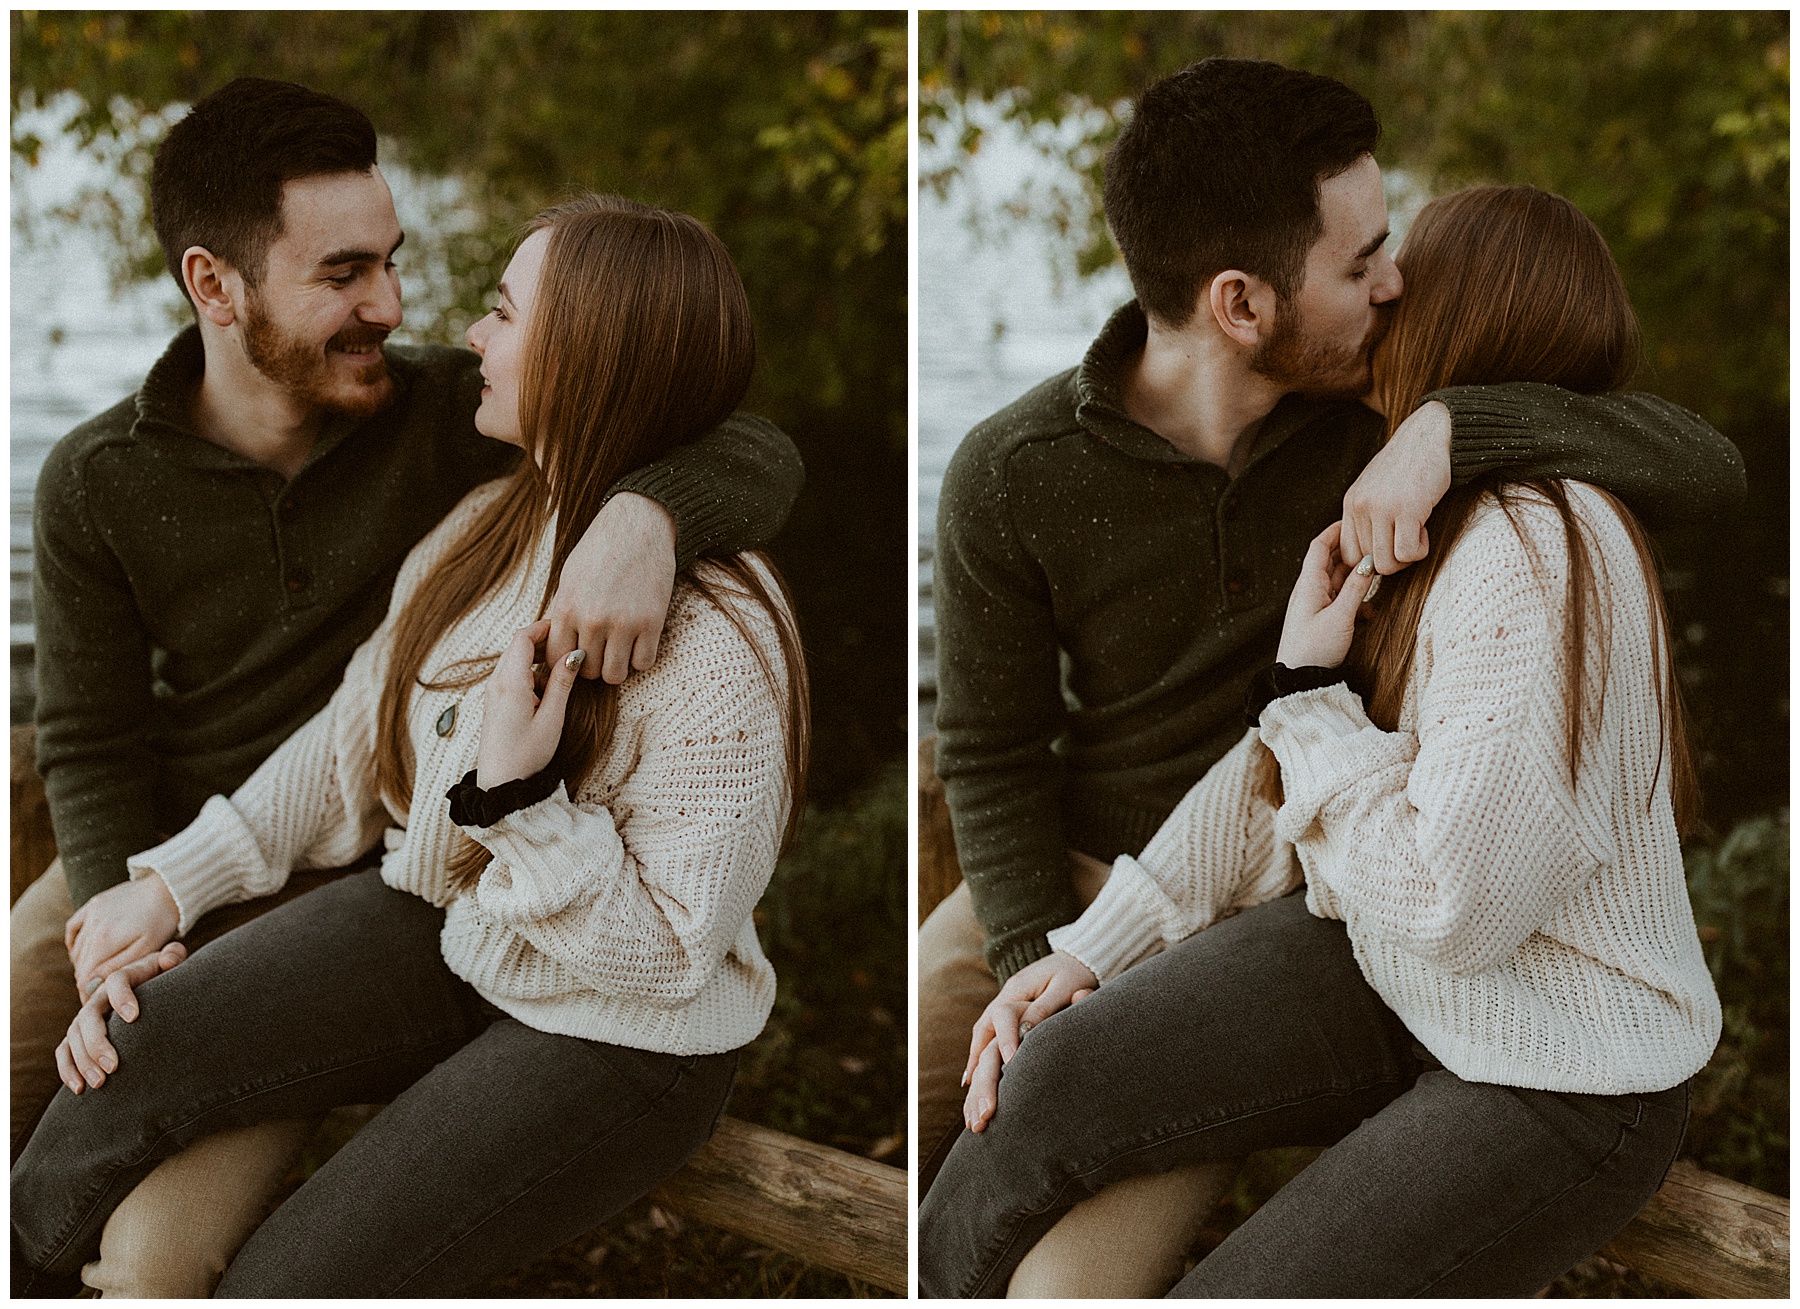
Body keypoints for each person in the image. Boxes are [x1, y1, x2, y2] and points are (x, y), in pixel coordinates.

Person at [920, 57, 1744, 1294]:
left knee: (1078, 1241)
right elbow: (989, 754)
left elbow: (1708, 466)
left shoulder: (1394, 441)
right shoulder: (1011, 466)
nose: (1394, 286)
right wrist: (1072, 950)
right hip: (1159, 854)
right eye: (1362, 266)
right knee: (993, 1078)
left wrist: (1452, 424)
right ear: (1242, 302)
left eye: (1396, 253)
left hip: (1334, 882)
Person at [12, 78, 801, 1295]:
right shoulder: (113, 481)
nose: (400, 308)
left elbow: (726, 427)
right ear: (215, 286)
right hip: (286, 837)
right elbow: (117, 739)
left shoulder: (444, 416)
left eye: (401, 265)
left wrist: (649, 513)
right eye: (343, 274)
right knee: (82, 1031)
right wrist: (156, 892)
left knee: (195, 1257)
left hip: (475, 906)